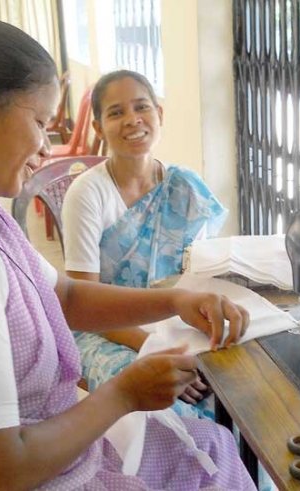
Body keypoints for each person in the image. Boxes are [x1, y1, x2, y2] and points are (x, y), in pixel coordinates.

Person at [0, 19, 254, 491]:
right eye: (39, 122)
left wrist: (175, 302)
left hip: (42, 447)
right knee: (211, 464)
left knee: (213, 445)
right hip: (28, 475)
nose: (45, 146)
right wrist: (124, 393)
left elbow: (67, 295)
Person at [62, 70, 228, 418]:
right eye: (116, 112)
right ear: (98, 127)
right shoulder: (87, 194)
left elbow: (196, 276)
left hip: (170, 323)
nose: (132, 120)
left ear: (159, 114)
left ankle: (223, 466)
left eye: (141, 107)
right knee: (166, 405)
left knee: (233, 381)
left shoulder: (184, 188)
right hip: (103, 332)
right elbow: (81, 306)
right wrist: (153, 347)